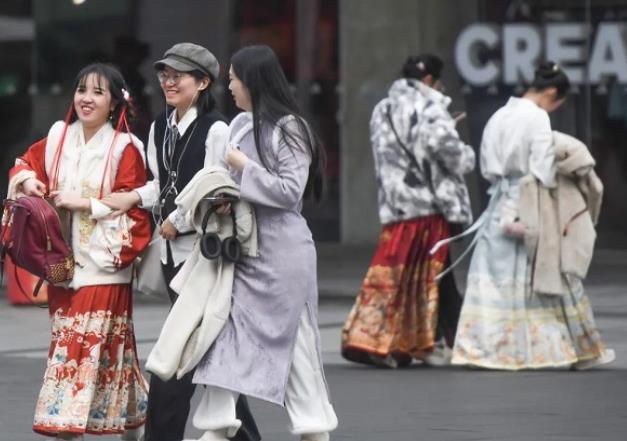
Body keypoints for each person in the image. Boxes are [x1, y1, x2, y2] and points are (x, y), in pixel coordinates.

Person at [101, 43, 260, 441]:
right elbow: (160, 184)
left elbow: (215, 187)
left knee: (174, 361)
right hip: (174, 257)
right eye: (165, 74)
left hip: (205, 257)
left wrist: (175, 218)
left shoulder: (218, 129)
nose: (168, 82)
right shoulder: (159, 127)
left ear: (203, 83)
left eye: (179, 75)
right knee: (206, 360)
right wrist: (135, 197)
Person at [185, 44, 338, 441]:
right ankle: (215, 428)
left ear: (252, 80)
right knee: (225, 337)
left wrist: (242, 167)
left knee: (296, 343)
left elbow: (289, 192)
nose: (229, 86)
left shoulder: (290, 128)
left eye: (234, 78)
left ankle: (313, 429)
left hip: (283, 255)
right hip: (243, 252)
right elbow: (225, 179)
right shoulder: (237, 126)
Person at [7, 63, 150, 440]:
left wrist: (85, 203)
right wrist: (31, 181)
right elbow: (23, 164)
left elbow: (135, 210)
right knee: (103, 356)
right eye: (81, 89)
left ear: (115, 102)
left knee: (76, 358)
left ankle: (67, 430)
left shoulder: (125, 147)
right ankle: (132, 425)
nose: (86, 99)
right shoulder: (58, 137)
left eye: (98, 92)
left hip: (104, 268)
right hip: (61, 269)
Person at [451, 61, 613, 370]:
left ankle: (485, 350)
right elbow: (542, 169)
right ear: (551, 92)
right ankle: (550, 349)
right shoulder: (537, 118)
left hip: (497, 202)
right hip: (530, 201)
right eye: (557, 101)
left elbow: (487, 166)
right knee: (544, 274)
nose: (554, 108)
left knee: (493, 280)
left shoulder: (499, 115)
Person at [341, 54, 476, 368]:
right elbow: (456, 158)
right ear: (429, 81)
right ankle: (375, 339)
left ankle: (430, 340)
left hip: (396, 207)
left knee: (403, 274)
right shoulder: (431, 109)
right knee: (428, 276)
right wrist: (462, 145)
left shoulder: (382, 109)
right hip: (427, 208)